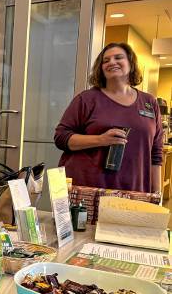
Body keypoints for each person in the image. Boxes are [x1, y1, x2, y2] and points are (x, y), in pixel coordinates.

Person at [54, 42, 163, 193]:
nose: (112, 62)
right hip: (88, 189)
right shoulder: (86, 99)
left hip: (134, 189)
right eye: (106, 60)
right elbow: (61, 137)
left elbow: (156, 154)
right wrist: (101, 140)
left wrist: (156, 195)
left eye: (118, 57)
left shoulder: (149, 103)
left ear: (131, 64)